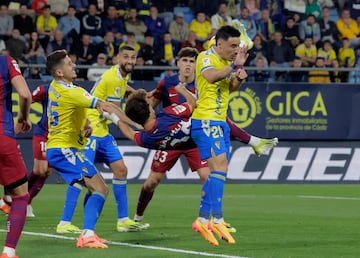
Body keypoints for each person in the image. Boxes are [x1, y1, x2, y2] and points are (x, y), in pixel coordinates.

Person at [131, 47, 278, 225]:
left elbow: (227, 91)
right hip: (170, 138)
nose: (188, 65)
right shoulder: (166, 83)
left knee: (210, 176)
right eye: (184, 60)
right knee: (152, 181)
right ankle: (138, 218)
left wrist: (238, 79)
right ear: (178, 63)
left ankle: (214, 219)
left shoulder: (203, 81)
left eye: (191, 61)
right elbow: (150, 107)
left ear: (196, 64)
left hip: (196, 137)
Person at [45, 49, 110, 248]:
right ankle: (87, 234)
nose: (73, 65)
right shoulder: (69, 90)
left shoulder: (55, 86)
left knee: (97, 187)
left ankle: (87, 231)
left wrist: (85, 124)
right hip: (64, 149)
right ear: (59, 72)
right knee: (100, 188)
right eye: (68, 63)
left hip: (62, 147)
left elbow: (71, 109)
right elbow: (98, 103)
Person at [190, 25, 248, 246]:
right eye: (232, 46)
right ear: (219, 43)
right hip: (205, 120)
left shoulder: (226, 63)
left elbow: (228, 89)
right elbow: (212, 77)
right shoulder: (206, 57)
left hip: (219, 121)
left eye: (238, 46)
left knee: (219, 170)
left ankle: (204, 219)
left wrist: (239, 78)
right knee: (220, 166)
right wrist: (235, 65)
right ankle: (218, 218)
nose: (235, 50)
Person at [84, 46, 149, 233]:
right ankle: (66, 223)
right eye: (126, 57)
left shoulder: (121, 75)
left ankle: (123, 221)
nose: (130, 61)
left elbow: (123, 88)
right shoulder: (112, 77)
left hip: (102, 130)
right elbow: (114, 110)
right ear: (117, 58)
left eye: (133, 57)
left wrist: (135, 93)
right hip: (91, 128)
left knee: (121, 170)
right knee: (86, 177)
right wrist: (137, 124)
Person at [27, 83, 83, 234]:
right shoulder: (46, 88)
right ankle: (17, 197)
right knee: (40, 170)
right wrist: (23, 117)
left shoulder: (73, 90)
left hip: (58, 136)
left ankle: (25, 201)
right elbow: (27, 98)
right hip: (43, 133)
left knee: (45, 171)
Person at [0, 55, 32, 258]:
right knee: (21, 196)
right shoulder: (5, 61)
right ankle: (8, 251)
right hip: (2, 136)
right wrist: (23, 117)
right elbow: (25, 94)